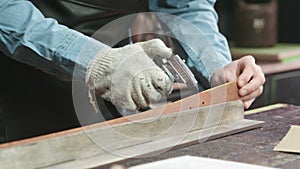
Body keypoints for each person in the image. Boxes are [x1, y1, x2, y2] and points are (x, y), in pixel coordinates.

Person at [0, 0, 265, 114]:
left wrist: (215, 67)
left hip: (119, 89)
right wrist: (97, 61)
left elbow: (185, 5)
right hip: (16, 89)